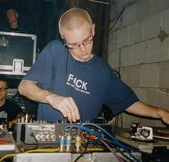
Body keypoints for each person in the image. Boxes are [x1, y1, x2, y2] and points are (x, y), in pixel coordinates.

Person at [18, 8, 169, 125]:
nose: (83, 49)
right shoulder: (55, 50)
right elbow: (24, 87)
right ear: (64, 39)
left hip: (82, 144)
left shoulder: (103, 70)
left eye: (87, 40)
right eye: (74, 45)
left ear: (93, 30)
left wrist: (162, 113)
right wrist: (51, 98)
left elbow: (128, 103)